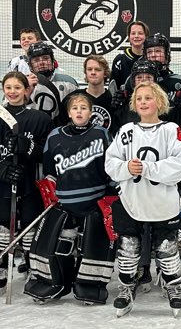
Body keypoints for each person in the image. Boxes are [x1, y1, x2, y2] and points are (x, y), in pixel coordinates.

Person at [105, 82, 181, 317]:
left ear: (159, 102)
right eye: (139, 98)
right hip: (132, 199)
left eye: (148, 98)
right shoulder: (126, 131)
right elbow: (110, 163)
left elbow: (179, 165)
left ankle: (173, 286)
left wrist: (147, 168)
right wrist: (126, 168)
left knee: (166, 246)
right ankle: (126, 286)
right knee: (128, 246)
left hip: (162, 201)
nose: (143, 102)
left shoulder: (171, 130)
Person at [25, 92, 116, 305]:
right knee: (62, 244)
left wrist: (111, 195)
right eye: (75, 108)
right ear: (68, 113)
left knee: (92, 243)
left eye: (83, 108)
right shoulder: (55, 135)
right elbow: (49, 170)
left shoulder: (102, 134)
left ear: (91, 112)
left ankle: (89, 285)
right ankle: (54, 282)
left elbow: (111, 166)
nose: (79, 111)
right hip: (65, 202)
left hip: (95, 201)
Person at [0, 71, 55, 296]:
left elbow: (47, 152)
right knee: (4, 226)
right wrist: (1, 169)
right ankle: (3, 266)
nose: (12, 92)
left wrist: (27, 147)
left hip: (30, 182)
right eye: (8, 87)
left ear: (26, 90)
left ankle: (33, 267)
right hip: (4, 184)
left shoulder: (40, 118)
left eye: (17, 87)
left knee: (31, 227)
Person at [26, 41, 80, 125]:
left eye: (45, 58)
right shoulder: (22, 84)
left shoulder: (69, 83)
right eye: (36, 60)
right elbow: (10, 109)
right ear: (30, 65)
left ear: (53, 61)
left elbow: (79, 109)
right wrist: (26, 91)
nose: (41, 62)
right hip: (33, 131)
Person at [80, 54, 115, 132]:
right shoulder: (74, 99)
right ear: (85, 72)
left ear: (105, 73)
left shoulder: (113, 100)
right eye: (89, 69)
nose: (93, 72)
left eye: (97, 69)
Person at [110, 20, 149, 91]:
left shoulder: (150, 59)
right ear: (129, 36)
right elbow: (113, 86)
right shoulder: (120, 59)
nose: (136, 36)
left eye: (140, 33)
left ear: (146, 36)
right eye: (133, 33)